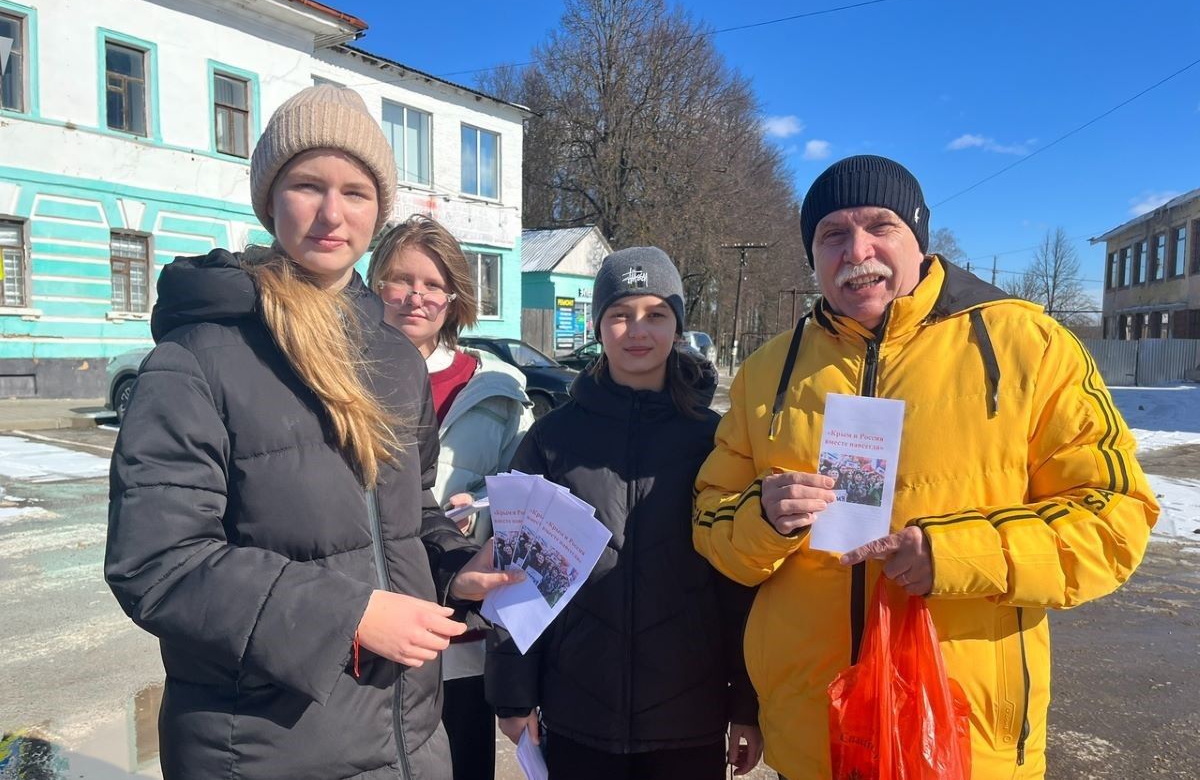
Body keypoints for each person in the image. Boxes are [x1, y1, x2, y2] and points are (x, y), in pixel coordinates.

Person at [692, 155, 1159, 780]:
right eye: (832, 234)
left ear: (919, 239)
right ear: (813, 255)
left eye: (880, 226)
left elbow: (1115, 518)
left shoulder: (1027, 343)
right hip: (811, 740)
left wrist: (956, 556)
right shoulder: (768, 369)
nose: (858, 250)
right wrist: (763, 519)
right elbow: (709, 515)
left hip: (961, 742)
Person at [105, 85, 517, 780]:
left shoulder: (392, 358)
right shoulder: (198, 356)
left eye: (356, 192)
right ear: (270, 199)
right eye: (307, 185)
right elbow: (157, 559)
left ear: (377, 208)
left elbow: (405, 516)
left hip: (406, 738)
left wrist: (455, 569)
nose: (332, 213)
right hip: (263, 746)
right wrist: (347, 614)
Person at [487, 247, 763, 780]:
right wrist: (513, 696)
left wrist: (746, 706)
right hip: (578, 707)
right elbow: (514, 577)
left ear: (678, 327)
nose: (638, 330)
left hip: (690, 714)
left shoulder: (715, 441)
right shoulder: (553, 440)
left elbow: (738, 583)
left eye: (656, 314)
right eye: (620, 314)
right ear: (597, 325)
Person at [367, 214, 534, 780]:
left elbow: (524, 497)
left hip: (459, 633)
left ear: (454, 298)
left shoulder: (497, 390)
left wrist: (481, 507)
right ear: (374, 286)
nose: (417, 296)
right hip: (369, 624)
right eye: (400, 279)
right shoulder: (340, 378)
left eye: (434, 284)